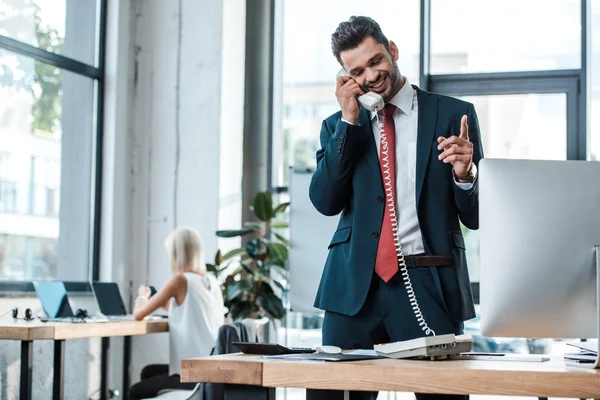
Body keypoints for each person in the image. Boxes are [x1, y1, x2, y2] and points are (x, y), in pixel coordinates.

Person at [308, 16, 483, 400]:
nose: (371, 76)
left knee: (444, 395)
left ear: (394, 51)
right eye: (357, 71)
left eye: (376, 61)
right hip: (353, 288)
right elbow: (324, 201)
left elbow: (475, 216)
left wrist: (465, 175)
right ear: (346, 78)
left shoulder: (455, 115)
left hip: (429, 282)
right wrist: (350, 121)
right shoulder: (337, 126)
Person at [129, 227, 224, 400]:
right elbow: (197, 312)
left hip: (194, 374)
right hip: (212, 370)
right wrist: (172, 307)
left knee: (135, 391)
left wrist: (142, 296)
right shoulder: (211, 280)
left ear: (176, 255)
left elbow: (138, 314)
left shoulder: (180, 280)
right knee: (148, 372)